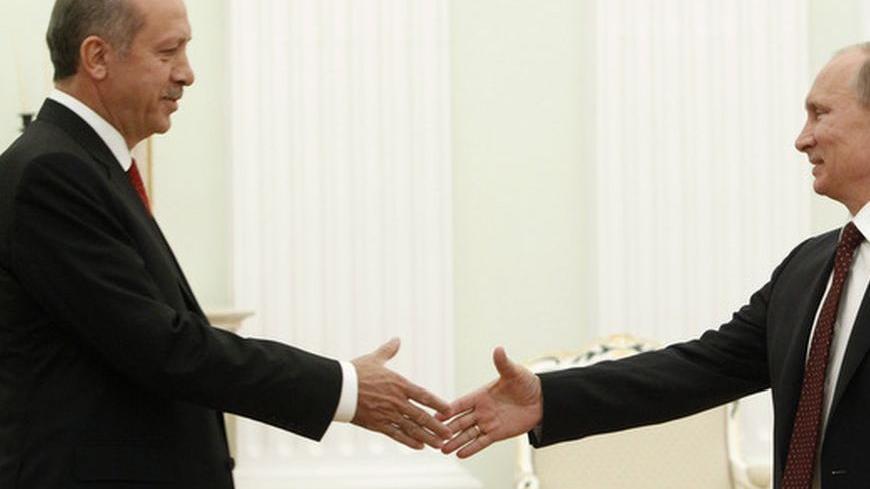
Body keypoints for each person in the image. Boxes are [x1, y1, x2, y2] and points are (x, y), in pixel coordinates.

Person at [0, 0, 450, 487]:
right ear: (97, 57)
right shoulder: (52, 172)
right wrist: (342, 388)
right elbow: (162, 348)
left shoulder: (85, 166)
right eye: (169, 51)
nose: (187, 74)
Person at [440, 43, 870, 489]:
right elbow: (698, 370)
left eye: (820, 113)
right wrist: (548, 399)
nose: (802, 139)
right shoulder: (810, 268)